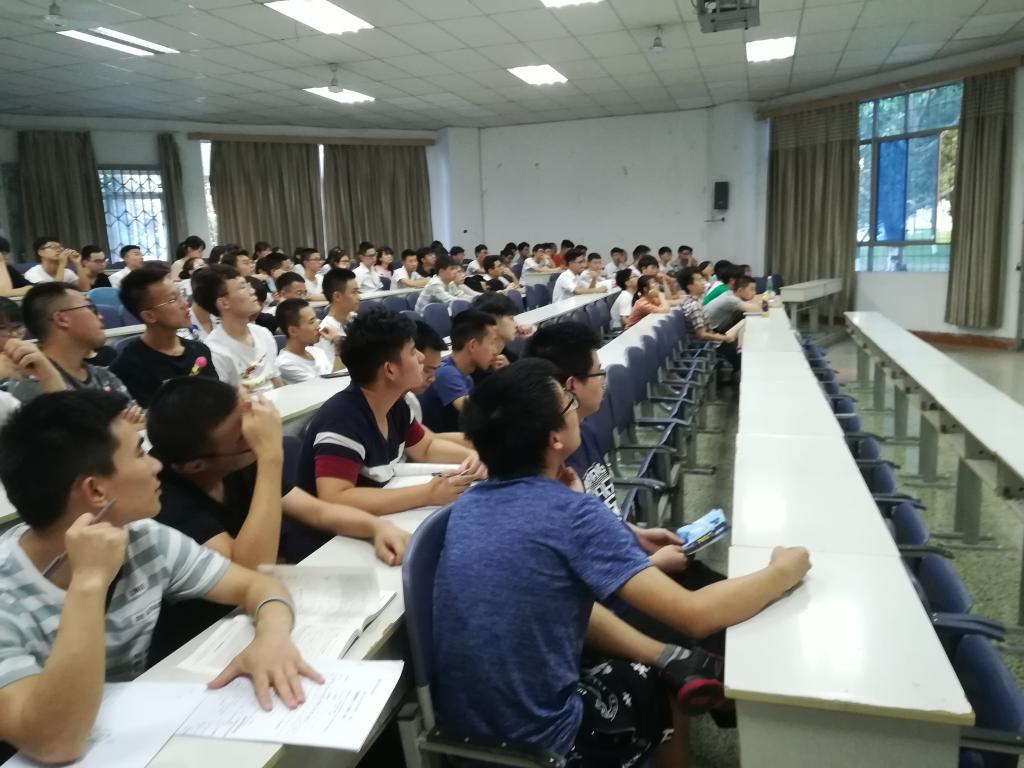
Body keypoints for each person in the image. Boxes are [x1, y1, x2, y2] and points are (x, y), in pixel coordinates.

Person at [433, 360, 811, 767]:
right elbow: (697, 615)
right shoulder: (573, 516)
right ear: (554, 438)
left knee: (658, 660)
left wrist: (661, 652)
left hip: (466, 742)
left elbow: (563, 600)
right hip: (549, 747)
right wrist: (783, 569)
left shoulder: (468, 504)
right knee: (665, 686)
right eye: (568, 403)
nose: (575, 407)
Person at [0, 390, 322, 763]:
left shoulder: (144, 538)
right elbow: (55, 742)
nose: (156, 466)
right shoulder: (8, 596)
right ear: (96, 490)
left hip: (132, 738)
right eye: (140, 453)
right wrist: (89, 583)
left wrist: (272, 637)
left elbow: (258, 584)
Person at [148, 378, 410, 572]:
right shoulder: (162, 499)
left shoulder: (234, 458)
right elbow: (248, 570)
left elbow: (318, 512)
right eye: (244, 438)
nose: (255, 435)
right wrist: (270, 457)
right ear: (196, 466)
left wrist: (377, 527)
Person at [296, 308, 485, 530]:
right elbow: (335, 498)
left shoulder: (395, 405)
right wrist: (428, 494)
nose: (421, 357)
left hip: (373, 522)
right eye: (413, 352)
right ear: (390, 370)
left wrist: (475, 458)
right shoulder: (342, 420)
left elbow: (426, 447)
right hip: (328, 539)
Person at [110, 267, 219, 407]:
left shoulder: (199, 350)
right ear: (149, 316)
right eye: (173, 300)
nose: (185, 304)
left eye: (181, 295)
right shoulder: (128, 367)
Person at [12, 283, 130, 403]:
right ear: (62, 319)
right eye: (91, 308)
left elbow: (134, 414)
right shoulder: (32, 385)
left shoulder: (104, 376)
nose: (100, 316)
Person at [193, 264, 282, 393]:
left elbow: (276, 379)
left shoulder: (263, 333)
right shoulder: (214, 351)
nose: (252, 291)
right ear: (224, 303)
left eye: (248, 286)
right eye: (243, 287)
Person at [418, 310, 498, 433]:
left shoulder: (466, 377)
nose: (495, 351)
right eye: (492, 343)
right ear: (472, 345)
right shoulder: (446, 373)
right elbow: (476, 414)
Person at [679, 267, 742, 373]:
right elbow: (702, 334)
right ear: (690, 286)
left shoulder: (691, 301)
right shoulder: (695, 306)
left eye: (702, 279)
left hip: (707, 340)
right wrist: (723, 338)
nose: (703, 283)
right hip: (705, 345)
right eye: (699, 280)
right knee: (734, 341)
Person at [275, 299, 337, 384]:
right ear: (293, 331)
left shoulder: (317, 351)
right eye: (311, 322)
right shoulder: (285, 364)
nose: (318, 326)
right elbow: (327, 386)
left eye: (316, 320)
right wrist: (339, 346)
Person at [316, 267, 359, 366]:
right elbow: (333, 371)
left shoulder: (356, 318)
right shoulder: (325, 330)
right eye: (354, 292)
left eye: (358, 292)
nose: (359, 297)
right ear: (337, 296)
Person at [24, 238, 88, 290]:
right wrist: (62, 264)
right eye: (53, 247)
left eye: (60, 247)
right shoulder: (33, 273)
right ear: (40, 252)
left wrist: (77, 263)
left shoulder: (67, 272)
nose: (59, 250)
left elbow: (85, 289)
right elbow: (55, 292)